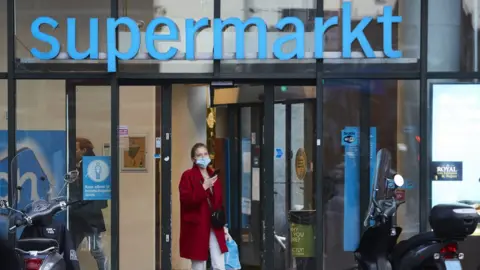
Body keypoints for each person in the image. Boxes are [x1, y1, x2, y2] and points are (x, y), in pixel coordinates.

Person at [179, 143, 228, 270]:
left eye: (205, 154)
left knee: (219, 264)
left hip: (214, 225)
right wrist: (204, 187)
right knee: (199, 264)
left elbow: (219, 203)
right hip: (197, 225)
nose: (203, 157)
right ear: (193, 159)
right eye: (199, 155)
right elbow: (186, 200)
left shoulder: (213, 175)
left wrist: (223, 227)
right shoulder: (188, 176)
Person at [70, 137, 108, 270]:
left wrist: (76, 204)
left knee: (96, 250)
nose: (73, 152)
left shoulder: (93, 167)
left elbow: (97, 196)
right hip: (80, 216)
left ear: (83, 150)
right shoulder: (77, 166)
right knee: (71, 249)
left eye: (75, 149)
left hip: (88, 216)